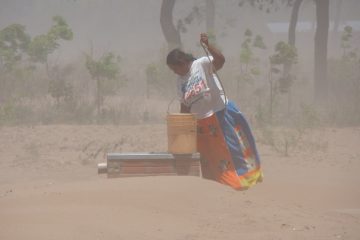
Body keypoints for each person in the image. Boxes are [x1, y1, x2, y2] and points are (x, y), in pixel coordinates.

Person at [166, 33, 263, 190]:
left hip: (220, 113)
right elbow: (185, 105)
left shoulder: (201, 64)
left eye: (174, 68)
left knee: (233, 149)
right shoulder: (180, 82)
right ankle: (222, 185)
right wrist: (182, 128)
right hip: (202, 123)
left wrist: (208, 46)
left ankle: (246, 181)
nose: (174, 72)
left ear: (182, 62)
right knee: (212, 157)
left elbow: (220, 61)